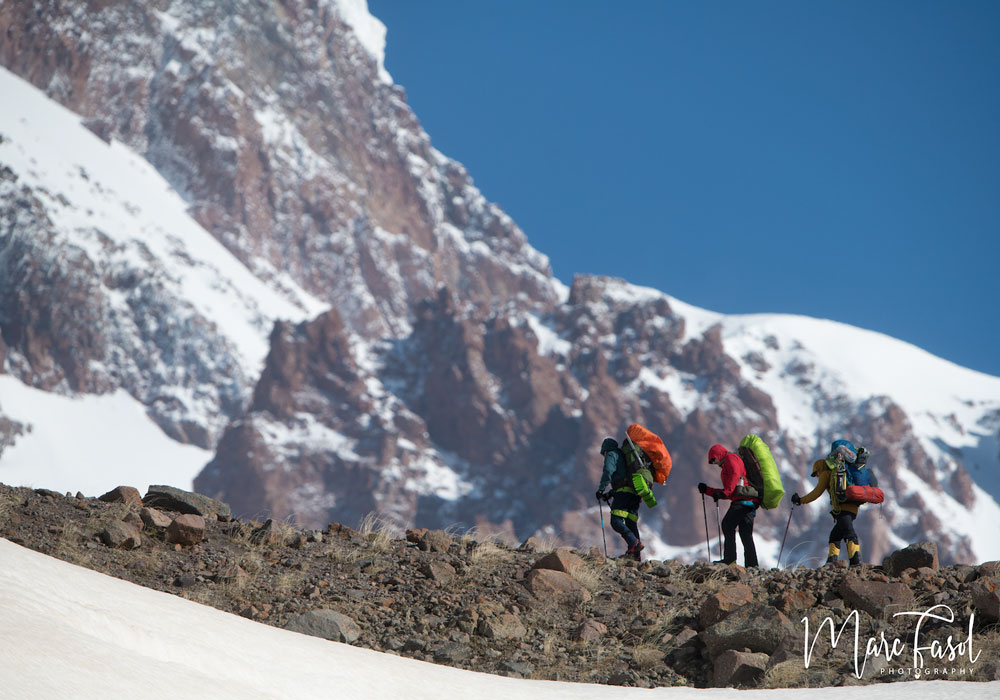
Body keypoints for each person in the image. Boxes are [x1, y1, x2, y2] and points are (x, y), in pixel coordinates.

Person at [791, 440, 865, 566]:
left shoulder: (826, 474)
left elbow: (816, 492)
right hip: (852, 505)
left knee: (848, 532)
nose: (817, 476)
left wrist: (800, 500)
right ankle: (831, 561)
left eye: (816, 473)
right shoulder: (839, 472)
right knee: (835, 535)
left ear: (820, 468)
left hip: (843, 506)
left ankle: (855, 561)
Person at [698, 444, 759, 568]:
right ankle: (752, 566)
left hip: (742, 500)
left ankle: (730, 559)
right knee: (745, 533)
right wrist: (708, 490)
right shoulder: (728, 463)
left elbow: (734, 478)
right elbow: (730, 492)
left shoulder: (731, 458)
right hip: (750, 500)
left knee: (727, 524)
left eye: (713, 459)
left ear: (718, 454)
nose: (713, 463)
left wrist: (724, 493)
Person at [596, 437, 657, 560]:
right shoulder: (624, 456)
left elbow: (608, 471)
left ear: (605, 450)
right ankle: (636, 555)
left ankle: (634, 544)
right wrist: (611, 493)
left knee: (616, 521)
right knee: (631, 523)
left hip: (623, 494)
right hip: (635, 494)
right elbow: (625, 479)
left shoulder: (611, 454)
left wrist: (601, 489)